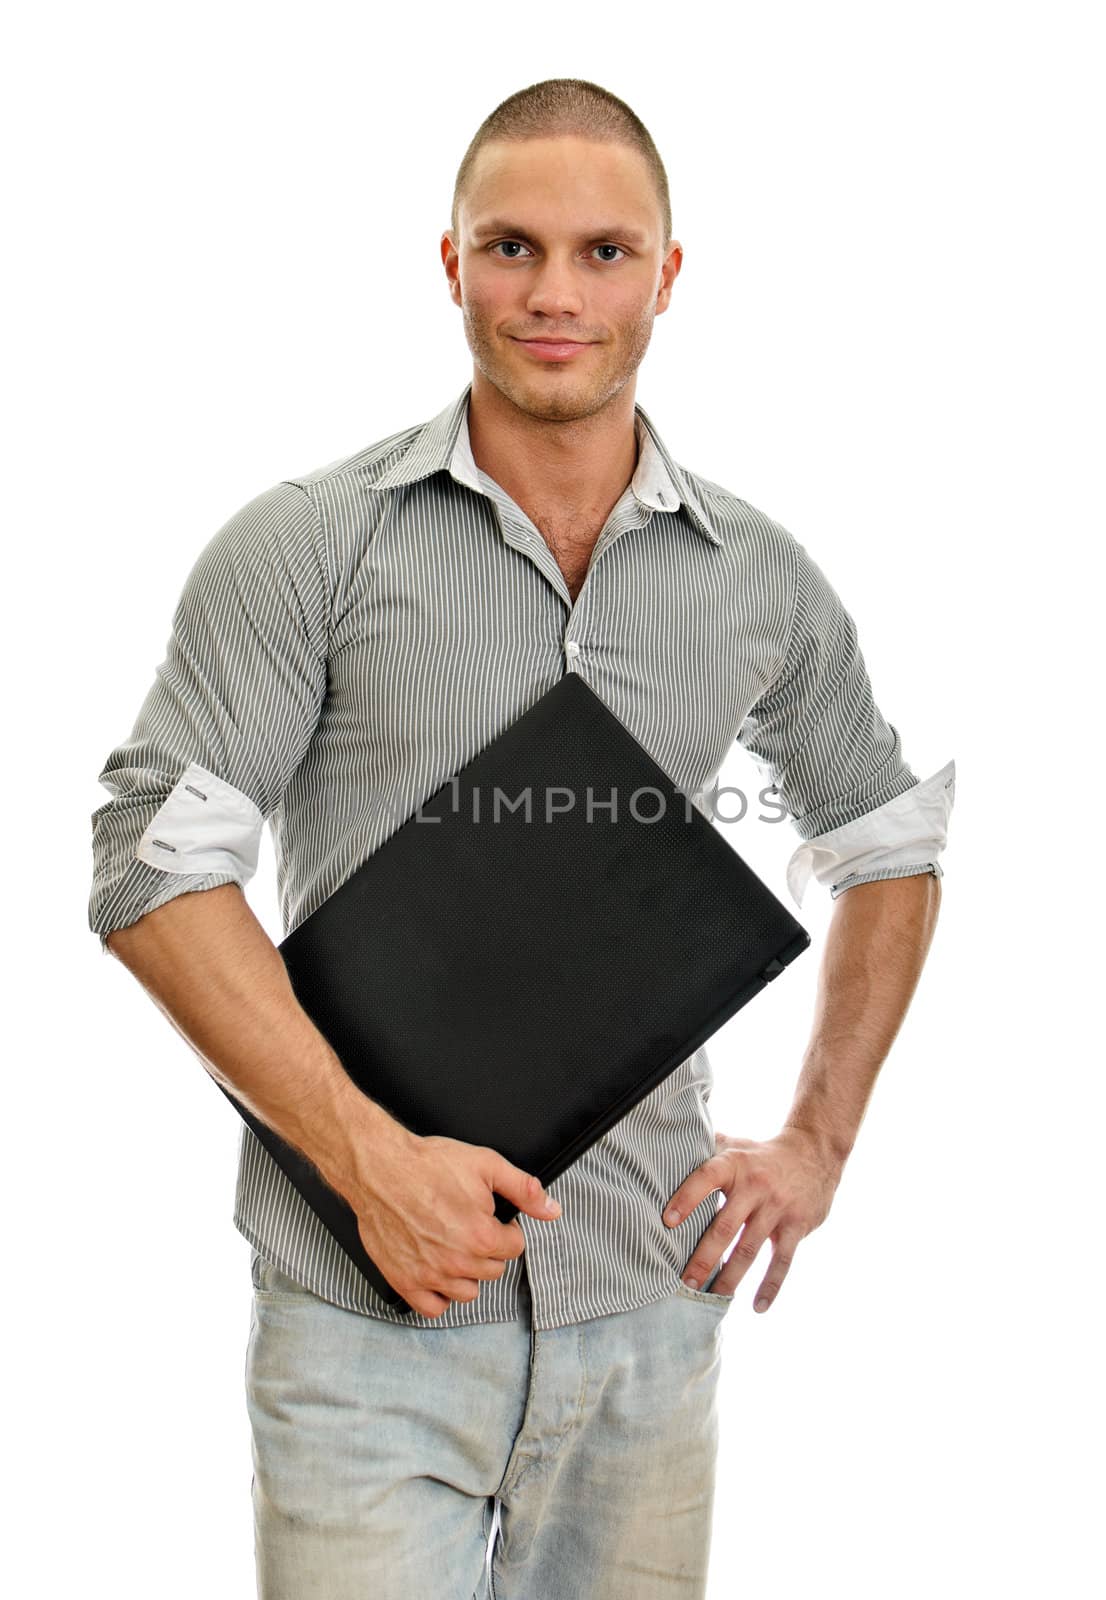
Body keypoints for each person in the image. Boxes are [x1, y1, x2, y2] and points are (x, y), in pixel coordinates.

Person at [88, 76, 955, 1600]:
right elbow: (154, 864)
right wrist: (368, 1167)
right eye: (511, 247)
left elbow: (882, 838)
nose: (554, 295)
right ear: (449, 261)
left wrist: (816, 1139)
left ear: (669, 275)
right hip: (366, 1318)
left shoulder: (758, 575)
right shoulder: (308, 543)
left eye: (604, 253)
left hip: (645, 1307)